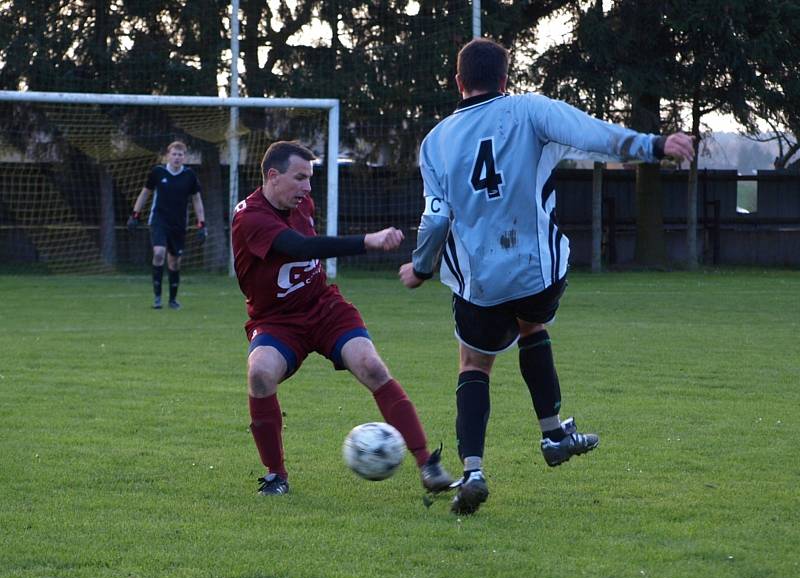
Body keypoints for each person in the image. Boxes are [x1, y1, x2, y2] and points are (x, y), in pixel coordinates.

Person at [399, 38, 695, 515]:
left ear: (458, 82)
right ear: (504, 79)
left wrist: (421, 267)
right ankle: (553, 433)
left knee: (474, 366)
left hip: (479, 282)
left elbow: (435, 219)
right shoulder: (529, 110)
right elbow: (590, 133)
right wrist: (654, 145)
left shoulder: (435, 141)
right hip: (538, 271)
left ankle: (473, 470)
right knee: (532, 326)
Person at [231, 140, 454, 497]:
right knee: (259, 373)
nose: (307, 187)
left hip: (323, 307)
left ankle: (428, 464)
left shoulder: (302, 203)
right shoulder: (250, 216)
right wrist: (367, 240)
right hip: (277, 321)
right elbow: (301, 248)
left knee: (372, 366)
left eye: (310, 179)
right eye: (299, 178)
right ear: (272, 176)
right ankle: (276, 475)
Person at [127, 141, 207, 309]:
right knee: (158, 253)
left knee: (175, 262)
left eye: (180, 154)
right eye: (174, 154)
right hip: (159, 220)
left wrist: (201, 224)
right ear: (168, 155)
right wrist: (135, 215)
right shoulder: (158, 172)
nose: (177, 157)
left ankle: (172, 299)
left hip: (178, 224)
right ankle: (157, 298)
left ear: (184, 157)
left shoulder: (189, 176)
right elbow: (145, 193)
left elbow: (197, 200)